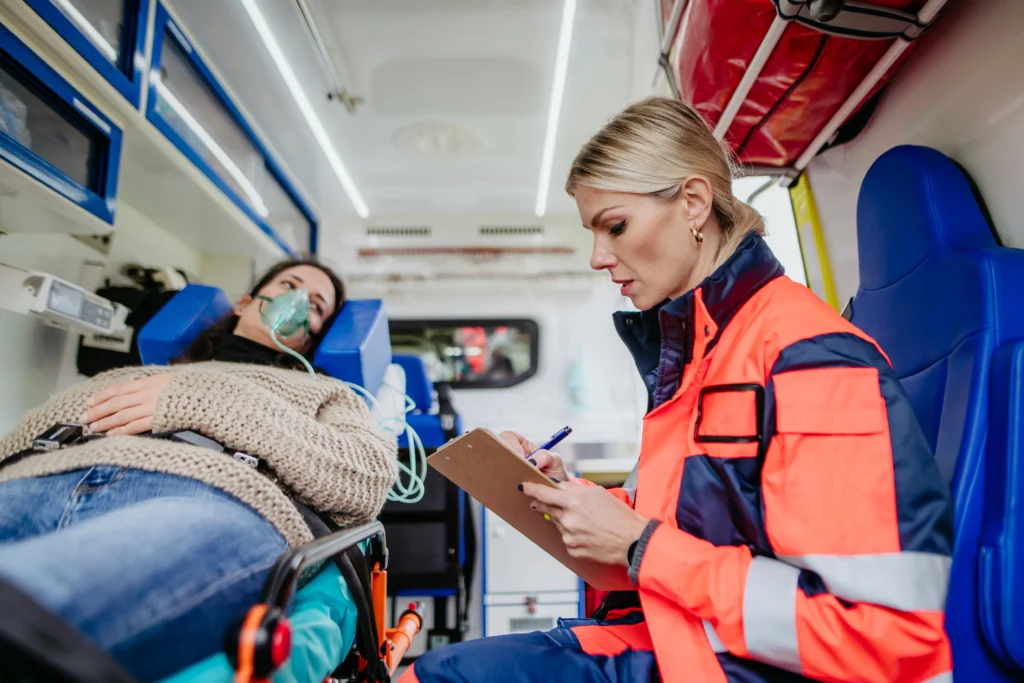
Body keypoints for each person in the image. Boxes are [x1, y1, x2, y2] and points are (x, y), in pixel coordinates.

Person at [400, 97, 954, 683]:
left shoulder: (810, 358)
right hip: (686, 638)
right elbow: (692, 532)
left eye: (615, 226)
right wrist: (563, 496)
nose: (597, 257)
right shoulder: (700, 354)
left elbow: (886, 638)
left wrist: (642, 546)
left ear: (693, 203)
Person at [0, 259, 398, 682]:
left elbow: (366, 480)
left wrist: (199, 400)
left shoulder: (325, 393)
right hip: (46, 476)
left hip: (209, 494)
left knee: (30, 605)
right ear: (244, 304)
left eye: (316, 305)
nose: (297, 302)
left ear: (314, 336)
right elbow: (26, 439)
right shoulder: (144, 373)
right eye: (288, 285)